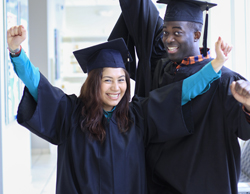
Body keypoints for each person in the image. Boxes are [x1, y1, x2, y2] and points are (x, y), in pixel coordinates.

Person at [8, 25, 230, 194]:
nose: (116, 88)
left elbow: (181, 93)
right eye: (107, 80)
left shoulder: (137, 116)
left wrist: (216, 65)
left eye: (121, 79)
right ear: (95, 82)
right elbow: (38, 85)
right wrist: (17, 52)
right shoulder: (70, 113)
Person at [108, 0, 250, 193]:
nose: (169, 38)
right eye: (166, 32)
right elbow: (144, 16)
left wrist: (248, 106)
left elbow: (244, 129)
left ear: (197, 34)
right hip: (156, 183)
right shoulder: (161, 65)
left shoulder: (224, 81)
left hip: (203, 185)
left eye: (177, 32)